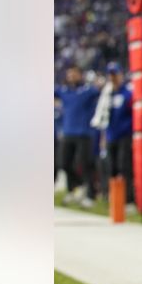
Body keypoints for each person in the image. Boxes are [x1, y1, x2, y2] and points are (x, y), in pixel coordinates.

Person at [56, 65, 101, 206]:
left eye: (74, 74)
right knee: (63, 163)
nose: (71, 77)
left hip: (83, 133)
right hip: (68, 132)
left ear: (80, 75)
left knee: (84, 164)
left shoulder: (87, 91)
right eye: (69, 74)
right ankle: (75, 188)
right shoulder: (64, 91)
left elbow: (100, 90)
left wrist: (99, 83)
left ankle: (91, 196)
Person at [90, 62, 133, 194]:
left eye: (115, 74)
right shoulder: (107, 94)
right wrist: (104, 136)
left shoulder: (128, 93)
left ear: (121, 75)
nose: (113, 77)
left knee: (124, 167)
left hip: (124, 136)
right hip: (110, 136)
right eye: (111, 75)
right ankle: (115, 198)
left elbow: (134, 115)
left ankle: (128, 198)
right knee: (112, 167)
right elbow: (103, 117)